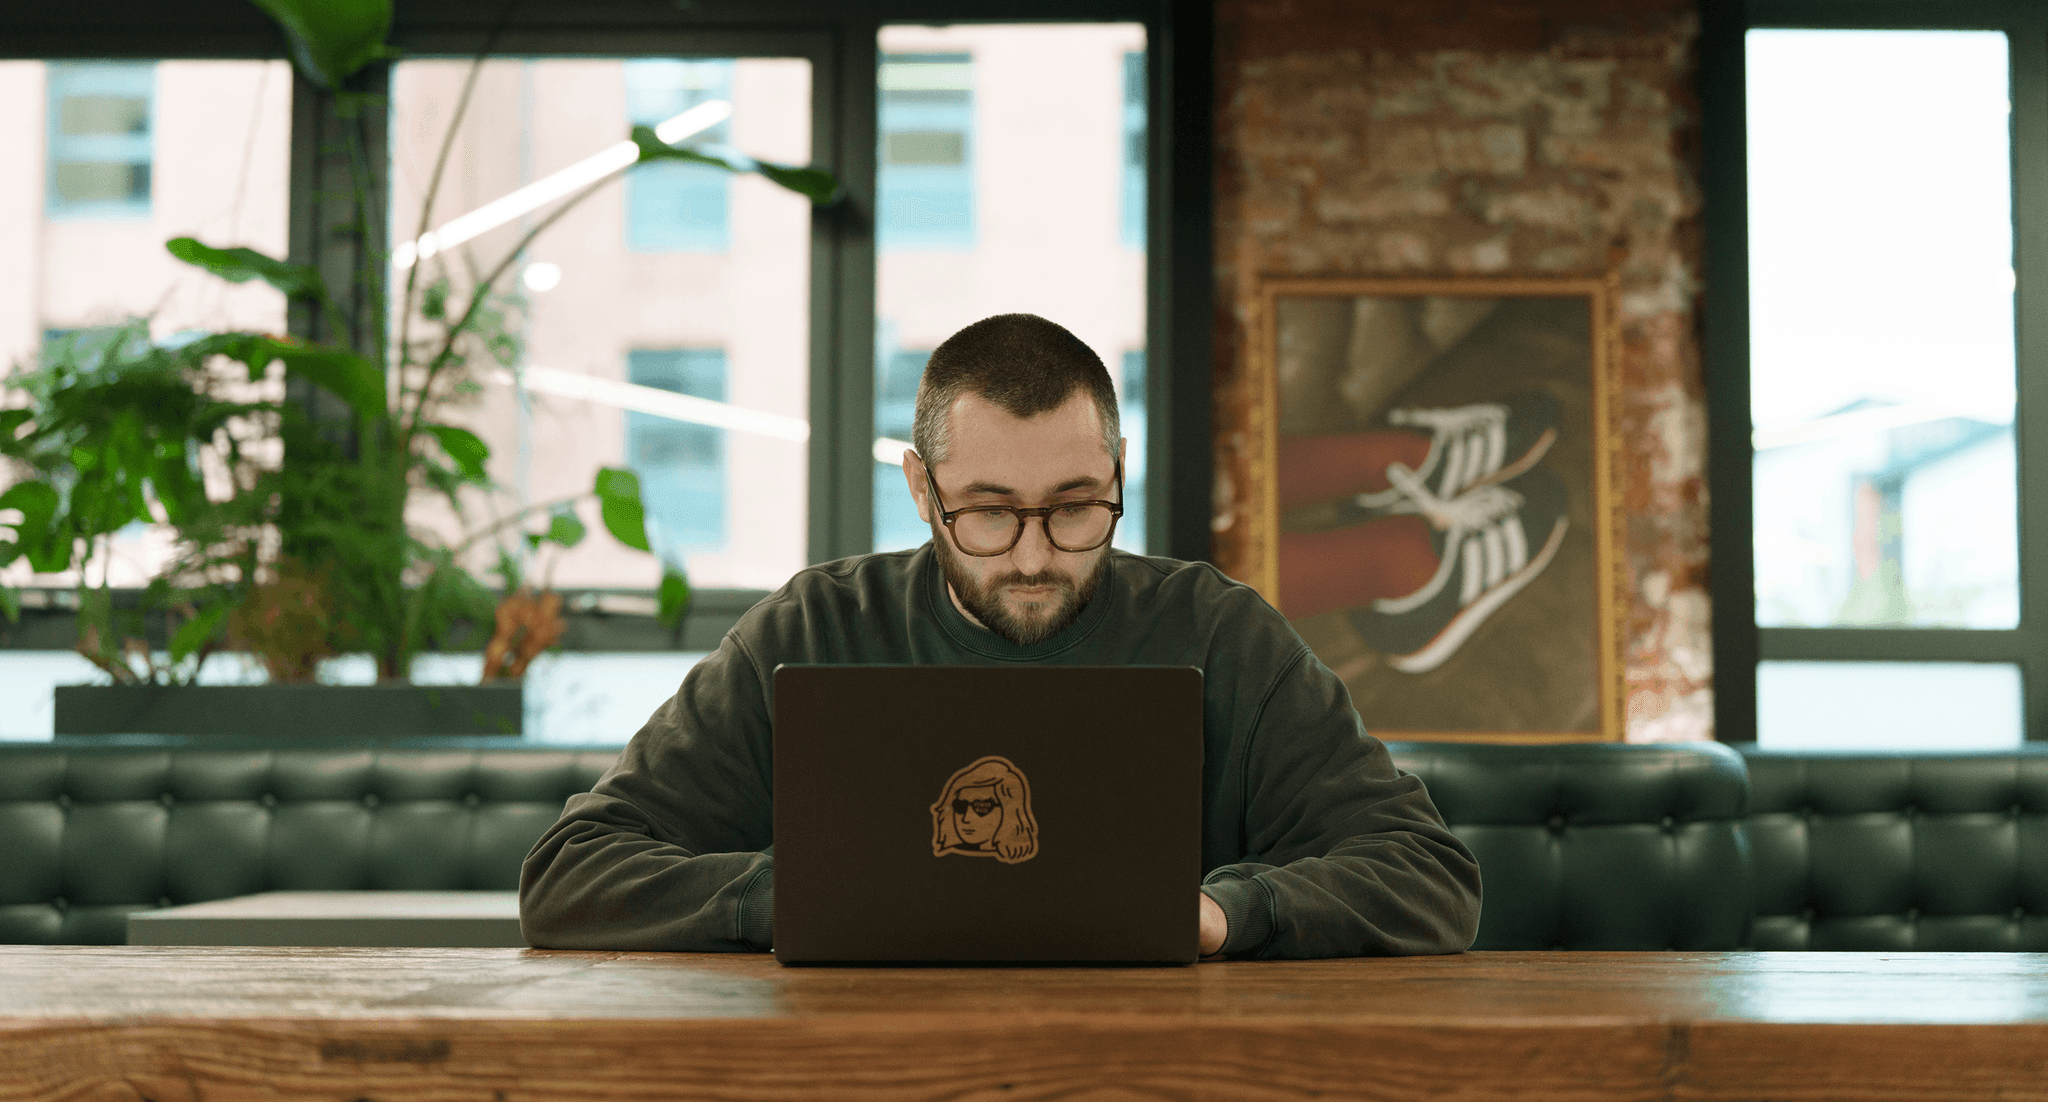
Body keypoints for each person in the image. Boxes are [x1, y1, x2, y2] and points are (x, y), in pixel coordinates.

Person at [520, 312, 1482, 959]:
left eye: (1073, 508)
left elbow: (1430, 876)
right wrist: (819, 894)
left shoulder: (1220, 633)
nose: (1032, 557)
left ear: (1118, 473)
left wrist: (1224, 912)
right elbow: (572, 872)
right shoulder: (812, 629)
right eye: (987, 513)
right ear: (920, 490)